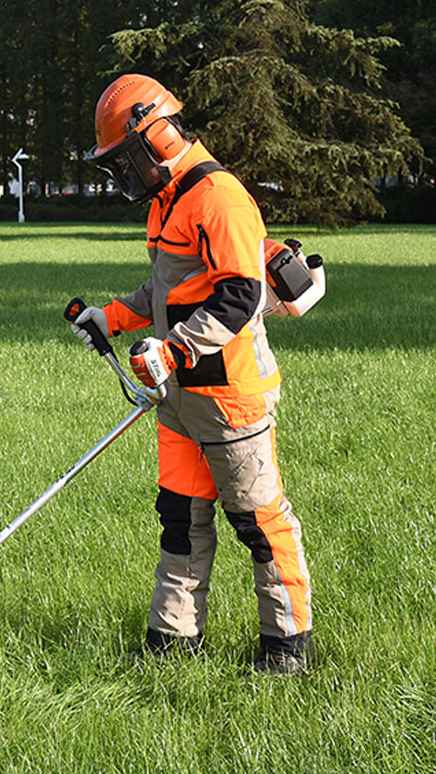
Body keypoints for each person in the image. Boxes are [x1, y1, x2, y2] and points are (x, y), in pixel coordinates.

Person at [71, 73, 314, 673]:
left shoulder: (219, 197)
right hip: (179, 399)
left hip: (229, 395)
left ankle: (286, 647)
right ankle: (172, 640)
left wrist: (172, 351)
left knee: (259, 524)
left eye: (124, 160)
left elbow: (239, 295)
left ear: (155, 135)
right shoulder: (166, 198)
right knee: (181, 519)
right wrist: (114, 317)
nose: (121, 174)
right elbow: (167, 290)